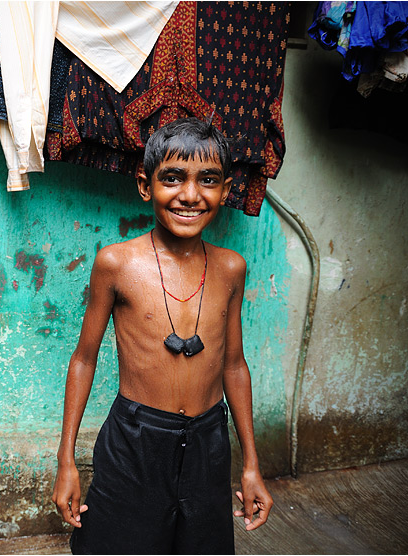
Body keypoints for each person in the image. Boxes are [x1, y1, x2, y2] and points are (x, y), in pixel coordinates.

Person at [51, 118, 273, 554]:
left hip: (209, 442)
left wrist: (251, 464)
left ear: (225, 190)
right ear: (145, 184)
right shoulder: (116, 264)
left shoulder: (231, 268)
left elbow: (233, 365)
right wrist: (66, 461)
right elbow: (84, 359)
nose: (190, 195)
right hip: (134, 442)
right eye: (173, 178)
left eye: (207, 180)